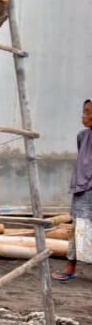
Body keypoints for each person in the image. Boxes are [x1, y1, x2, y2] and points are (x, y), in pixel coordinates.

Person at [54, 99, 92, 282]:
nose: (83, 116)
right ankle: (70, 266)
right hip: (83, 188)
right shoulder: (82, 136)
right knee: (78, 228)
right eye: (84, 111)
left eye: (88, 112)